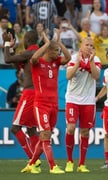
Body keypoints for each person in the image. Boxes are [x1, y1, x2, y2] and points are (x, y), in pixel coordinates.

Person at [21, 30, 71, 174]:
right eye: (56, 51)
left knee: (45, 137)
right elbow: (34, 57)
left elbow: (67, 57)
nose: (58, 53)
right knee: (45, 135)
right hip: (41, 105)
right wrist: (47, 43)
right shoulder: (38, 63)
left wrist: (59, 41)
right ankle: (52, 166)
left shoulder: (56, 62)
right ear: (48, 51)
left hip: (54, 105)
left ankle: (31, 164)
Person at [3, 30, 40, 171]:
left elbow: (7, 59)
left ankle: (33, 160)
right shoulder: (38, 53)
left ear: (28, 39)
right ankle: (39, 160)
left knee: (15, 128)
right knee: (31, 129)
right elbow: (16, 63)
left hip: (29, 93)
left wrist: (7, 43)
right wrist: (12, 49)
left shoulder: (29, 53)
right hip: (39, 93)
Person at [64, 36, 101, 173]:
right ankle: (69, 161)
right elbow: (68, 76)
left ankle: (81, 164)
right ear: (81, 46)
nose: (89, 48)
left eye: (92, 46)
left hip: (88, 101)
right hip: (73, 99)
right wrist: (79, 63)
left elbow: (96, 76)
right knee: (71, 128)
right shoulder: (74, 58)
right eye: (87, 45)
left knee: (85, 131)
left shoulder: (96, 60)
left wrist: (90, 61)